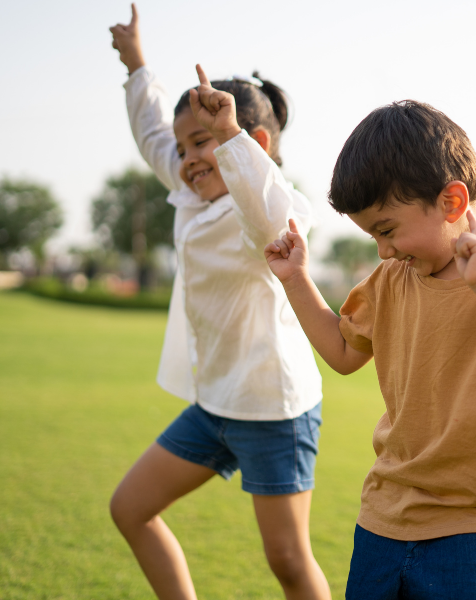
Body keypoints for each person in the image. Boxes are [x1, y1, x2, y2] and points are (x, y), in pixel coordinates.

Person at [264, 100, 476, 599]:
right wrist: (296, 280)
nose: (384, 250)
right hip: (383, 520)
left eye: (387, 229)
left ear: (452, 203)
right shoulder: (393, 279)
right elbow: (343, 353)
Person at [108, 6, 330, 600]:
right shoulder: (190, 193)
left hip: (272, 409)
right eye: (185, 149)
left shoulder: (261, 209)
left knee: (287, 558)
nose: (186, 159)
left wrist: (227, 138)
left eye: (201, 142)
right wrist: (137, 67)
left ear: (250, 143)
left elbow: (273, 214)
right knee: (129, 508)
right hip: (215, 404)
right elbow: (155, 135)